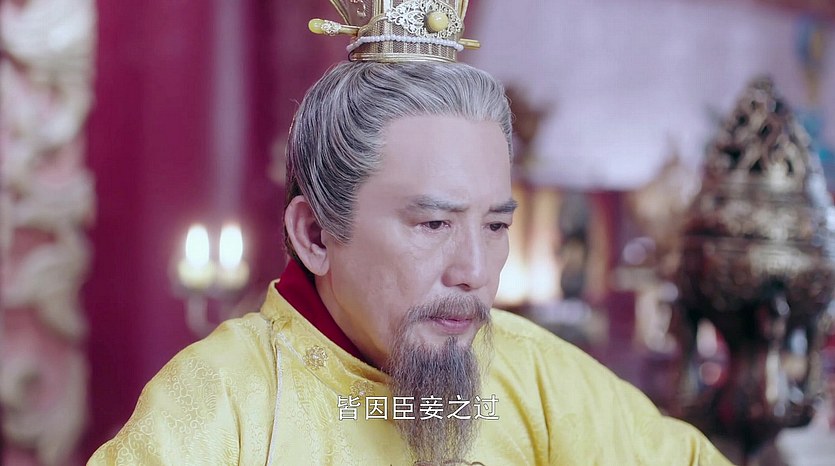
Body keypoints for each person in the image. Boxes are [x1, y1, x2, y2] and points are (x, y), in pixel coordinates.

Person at [89, 1, 734, 464]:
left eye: (496, 224)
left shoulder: (537, 377)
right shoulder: (220, 404)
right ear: (315, 234)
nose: (474, 271)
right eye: (433, 223)